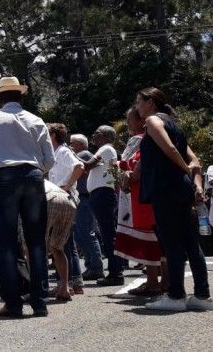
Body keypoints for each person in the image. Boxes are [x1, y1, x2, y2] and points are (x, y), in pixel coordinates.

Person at [0, 77, 54, 318]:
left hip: (5, 176)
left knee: (7, 243)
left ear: (0, 98)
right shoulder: (35, 119)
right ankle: (40, 302)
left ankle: (13, 303)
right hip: (32, 175)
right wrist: (37, 170)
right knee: (36, 242)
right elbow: (49, 158)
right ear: (21, 97)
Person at [135, 87, 212, 311]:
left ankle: (176, 296)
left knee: (172, 243)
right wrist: (193, 182)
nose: (137, 107)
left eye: (139, 102)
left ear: (151, 103)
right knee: (190, 242)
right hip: (180, 188)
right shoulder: (174, 126)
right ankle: (201, 295)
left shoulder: (153, 121)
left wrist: (183, 170)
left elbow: (169, 149)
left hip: (166, 188)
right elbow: (195, 160)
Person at [114, 107, 164, 296]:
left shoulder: (141, 140)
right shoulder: (152, 139)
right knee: (157, 236)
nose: (127, 123)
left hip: (141, 195)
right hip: (146, 193)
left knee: (148, 234)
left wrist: (123, 170)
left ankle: (153, 282)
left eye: (130, 119)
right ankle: (161, 281)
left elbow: (130, 164)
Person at [47, 123, 85, 297]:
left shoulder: (63, 151)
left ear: (53, 135)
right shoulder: (53, 153)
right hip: (56, 198)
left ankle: (72, 282)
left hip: (63, 198)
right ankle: (68, 282)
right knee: (60, 242)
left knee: (64, 243)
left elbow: (79, 167)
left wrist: (67, 186)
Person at [82, 125, 123, 286]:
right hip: (101, 195)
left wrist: (71, 154)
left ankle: (116, 273)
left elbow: (87, 165)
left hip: (103, 194)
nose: (94, 135)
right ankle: (115, 272)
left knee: (108, 235)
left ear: (106, 136)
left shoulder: (106, 149)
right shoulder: (105, 150)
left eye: (97, 133)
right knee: (107, 234)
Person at [69, 134, 104, 280]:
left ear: (80, 144)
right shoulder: (82, 155)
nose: (70, 145)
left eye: (72, 143)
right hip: (82, 198)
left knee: (86, 233)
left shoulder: (83, 154)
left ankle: (95, 267)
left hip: (84, 198)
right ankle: (92, 265)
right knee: (82, 234)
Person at [43, 180, 78, 301]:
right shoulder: (41, 177)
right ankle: (64, 288)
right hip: (67, 200)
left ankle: (38, 288)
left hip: (49, 199)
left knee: (33, 247)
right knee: (57, 247)